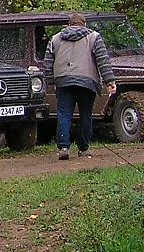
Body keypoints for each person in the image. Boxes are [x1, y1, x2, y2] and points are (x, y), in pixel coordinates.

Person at [44, 13, 117, 160]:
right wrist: (110, 81)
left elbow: (47, 63)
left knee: (64, 114)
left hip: (63, 81)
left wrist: (50, 82)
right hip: (87, 81)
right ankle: (83, 148)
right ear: (84, 24)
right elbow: (103, 61)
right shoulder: (94, 37)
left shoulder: (55, 38)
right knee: (85, 114)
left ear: (68, 24)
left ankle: (63, 147)